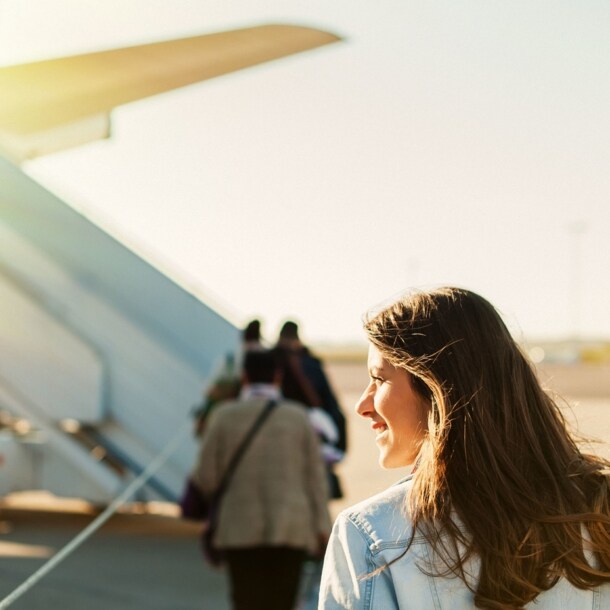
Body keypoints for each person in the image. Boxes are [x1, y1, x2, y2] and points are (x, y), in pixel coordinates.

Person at [319, 287, 610, 609]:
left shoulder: (372, 533)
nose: (363, 404)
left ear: (437, 385)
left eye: (379, 378)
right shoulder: (600, 508)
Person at [192, 349, 331, 610]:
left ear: (244, 377)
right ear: (277, 377)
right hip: (292, 527)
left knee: (246, 601)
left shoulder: (223, 416)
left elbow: (205, 477)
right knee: (282, 602)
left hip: (239, 528)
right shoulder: (299, 417)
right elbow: (316, 478)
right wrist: (322, 525)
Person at [273, 321, 348, 498]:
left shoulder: (271, 362)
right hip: (314, 438)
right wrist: (337, 448)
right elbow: (332, 406)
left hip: (279, 439)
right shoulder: (311, 363)